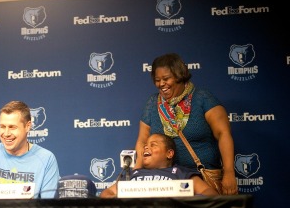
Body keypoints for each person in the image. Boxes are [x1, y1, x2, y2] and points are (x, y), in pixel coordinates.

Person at [134, 53, 238, 195]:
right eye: (157, 80)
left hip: (202, 180)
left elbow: (223, 134)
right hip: (166, 182)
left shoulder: (202, 98)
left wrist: (229, 173)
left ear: (179, 75)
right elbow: (142, 141)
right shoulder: (152, 103)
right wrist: (135, 173)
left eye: (166, 79)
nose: (161, 84)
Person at [100, 133, 218, 198]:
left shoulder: (182, 173)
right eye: (146, 145)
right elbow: (107, 193)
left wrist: (190, 202)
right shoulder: (131, 174)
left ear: (169, 153)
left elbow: (210, 193)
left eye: (153, 145)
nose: (146, 147)